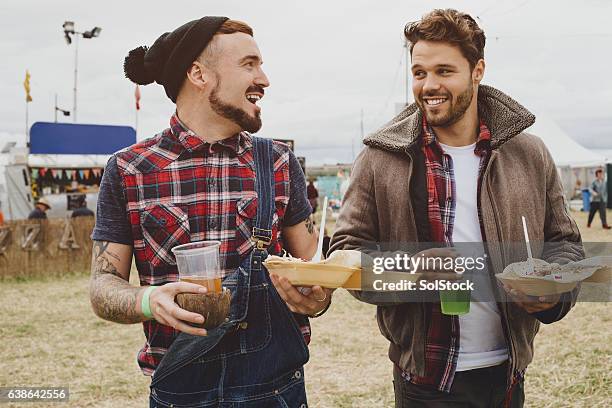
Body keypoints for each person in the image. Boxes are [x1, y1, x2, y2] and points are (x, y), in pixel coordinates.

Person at [330, 9, 582, 407]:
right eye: (419, 73)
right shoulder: (379, 158)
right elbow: (344, 256)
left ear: (477, 70)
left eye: (444, 71)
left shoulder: (530, 154)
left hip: (506, 374)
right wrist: (409, 270)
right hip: (424, 379)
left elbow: (566, 246)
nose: (429, 85)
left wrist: (552, 294)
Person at [89, 17, 332, 407]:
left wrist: (318, 298)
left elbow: (315, 272)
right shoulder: (128, 169)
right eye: (249, 64)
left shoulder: (279, 163)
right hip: (179, 388)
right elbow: (102, 288)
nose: (264, 79)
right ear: (198, 74)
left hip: (274, 389)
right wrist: (151, 301)